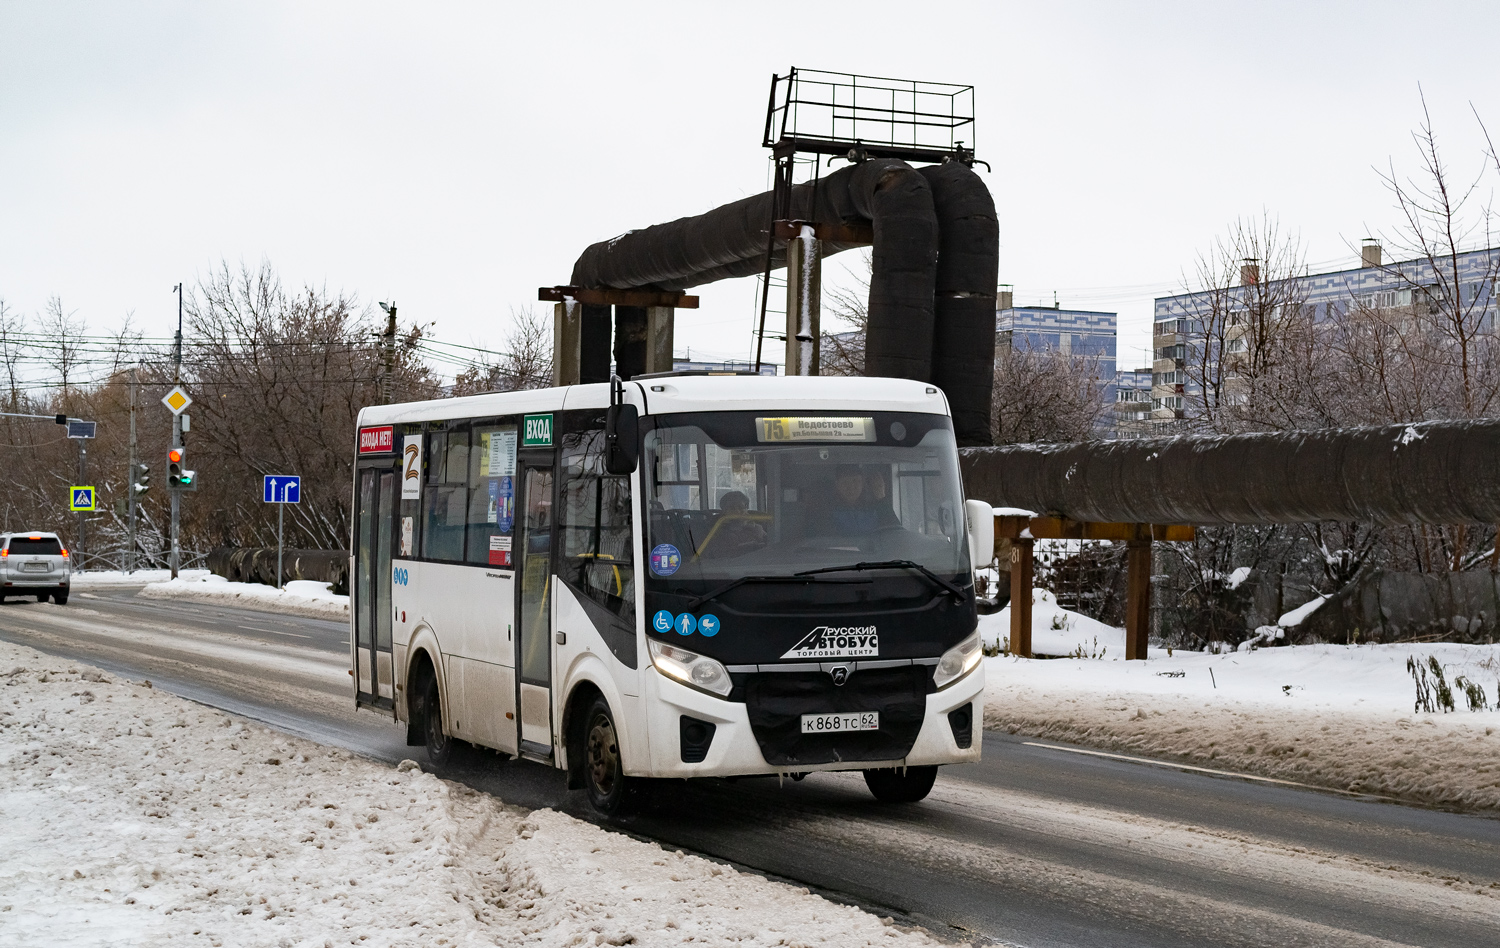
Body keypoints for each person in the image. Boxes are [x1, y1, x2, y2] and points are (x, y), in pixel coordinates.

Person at [706, 490, 766, 557]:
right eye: (732, 508)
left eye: (741, 507)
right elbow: (720, 555)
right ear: (724, 512)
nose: (737, 511)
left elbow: (768, 547)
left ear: (746, 509)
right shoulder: (716, 530)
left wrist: (751, 526)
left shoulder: (757, 528)